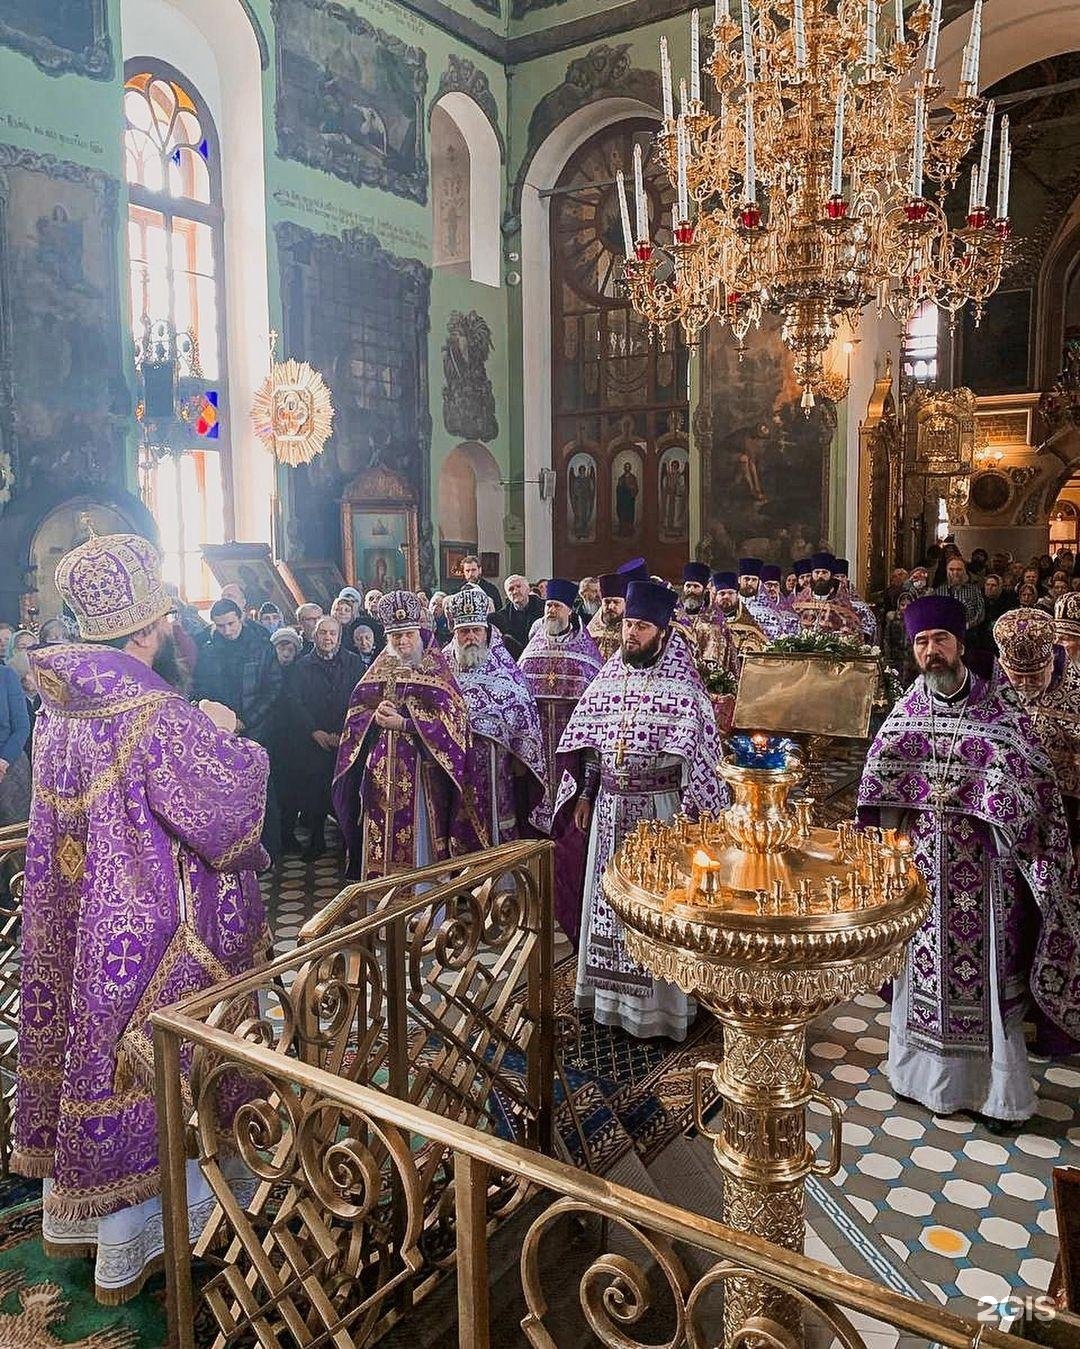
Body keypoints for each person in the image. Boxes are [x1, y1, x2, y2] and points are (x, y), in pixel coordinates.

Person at [14, 530, 269, 1304]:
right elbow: (226, 806)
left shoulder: (56, 706)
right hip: (154, 936)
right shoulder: (155, 712)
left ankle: (101, 1229)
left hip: (81, 928)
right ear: (145, 627)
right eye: (161, 618)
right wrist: (228, 735)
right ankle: (175, 1224)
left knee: (99, 1057)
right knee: (162, 1066)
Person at [858, 595, 1079, 1131]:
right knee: (924, 971)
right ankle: (916, 1078)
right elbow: (878, 783)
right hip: (925, 868)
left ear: (959, 645)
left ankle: (997, 1097)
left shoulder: (999, 711)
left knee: (988, 981)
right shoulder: (907, 711)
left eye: (939, 640)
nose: (930, 651)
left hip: (987, 874)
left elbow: (1033, 785)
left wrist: (995, 809)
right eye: (920, 642)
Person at [562, 580, 725, 1040]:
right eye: (629, 624)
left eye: (642, 626)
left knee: (657, 904)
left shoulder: (686, 692)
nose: (631, 634)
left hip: (660, 812)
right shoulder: (609, 677)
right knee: (608, 901)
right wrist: (587, 794)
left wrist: (693, 816)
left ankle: (659, 1010)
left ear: (664, 632)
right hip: (610, 807)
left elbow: (703, 763)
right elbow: (589, 747)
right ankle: (605, 1000)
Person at [332, 591, 486, 880]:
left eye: (407, 635)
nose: (402, 642)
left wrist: (405, 723)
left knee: (419, 841)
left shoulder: (436, 671)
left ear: (419, 633)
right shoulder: (379, 669)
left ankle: (424, 909)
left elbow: (454, 722)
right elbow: (357, 711)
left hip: (421, 774)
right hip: (380, 773)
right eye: (395, 637)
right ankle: (380, 906)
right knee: (379, 839)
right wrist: (373, 717)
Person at [518, 579, 603, 946]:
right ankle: (534, 898)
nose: (551, 611)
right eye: (548, 606)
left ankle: (570, 897)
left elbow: (599, 718)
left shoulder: (588, 657)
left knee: (570, 833)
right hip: (539, 760)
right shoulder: (530, 654)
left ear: (571, 610)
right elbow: (516, 703)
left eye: (558, 607)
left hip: (571, 762)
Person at [444, 587, 546, 844]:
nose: (470, 638)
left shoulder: (504, 669)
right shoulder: (441, 667)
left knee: (497, 821)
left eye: (476, 631)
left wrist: (520, 754)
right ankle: (460, 878)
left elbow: (522, 707)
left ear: (486, 633)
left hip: (495, 762)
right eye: (464, 632)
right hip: (451, 761)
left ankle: (501, 877)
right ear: (455, 634)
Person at [193, 598, 283, 858]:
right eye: (220, 626)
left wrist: (246, 720)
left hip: (257, 728)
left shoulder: (260, 645)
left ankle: (270, 851)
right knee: (225, 791)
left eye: (231, 624)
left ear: (241, 618)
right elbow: (199, 688)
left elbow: (273, 687)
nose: (227, 630)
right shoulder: (206, 648)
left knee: (264, 789)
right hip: (220, 731)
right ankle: (233, 851)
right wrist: (216, 718)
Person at [994, 607, 1080, 847]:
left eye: (1034, 677)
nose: (1024, 685)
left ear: (1051, 662)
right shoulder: (993, 687)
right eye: (1017, 677)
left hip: (1067, 811)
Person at [282, 616, 364, 859]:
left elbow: (361, 698)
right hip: (312, 738)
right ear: (314, 636)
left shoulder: (354, 663)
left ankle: (349, 842)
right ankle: (316, 839)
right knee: (314, 790)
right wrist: (313, 730)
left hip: (345, 737)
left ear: (339, 637)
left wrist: (344, 733)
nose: (327, 638)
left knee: (347, 789)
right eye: (322, 633)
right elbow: (293, 701)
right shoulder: (300, 666)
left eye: (332, 633)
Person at [0, 657, 31, 824]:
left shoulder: (6, 676)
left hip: (10, 767)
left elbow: (22, 727)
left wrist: (3, 762)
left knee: (14, 841)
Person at [711, 572, 767, 656]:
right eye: (722, 593)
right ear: (716, 597)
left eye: (730, 593)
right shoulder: (707, 621)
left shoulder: (749, 626)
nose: (726, 596)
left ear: (737, 595)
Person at [491, 574, 544, 661]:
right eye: (511, 589)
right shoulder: (501, 617)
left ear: (528, 590)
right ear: (507, 595)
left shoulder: (545, 608)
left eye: (518, 587)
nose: (515, 591)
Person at [933, 554, 985, 631]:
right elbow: (935, 613)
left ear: (964, 571)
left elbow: (981, 612)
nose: (955, 573)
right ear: (946, 571)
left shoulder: (974, 590)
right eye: (951, 569)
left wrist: (968, 625)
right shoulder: (939, 591)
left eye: (959, 569)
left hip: (969, 634)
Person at [588, 573, 628, 662]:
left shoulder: (630, 629)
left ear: (625, 604)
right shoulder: (592, 629)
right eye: (607, 602)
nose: (611, 606)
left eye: (616, 602)